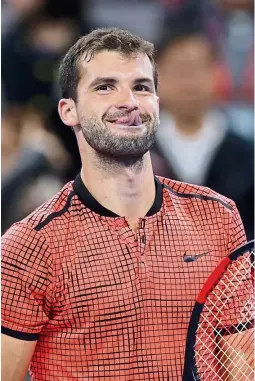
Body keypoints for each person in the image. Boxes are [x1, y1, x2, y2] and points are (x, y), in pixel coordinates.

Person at [1, 27, 252, 381]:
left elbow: (242, 368)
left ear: (157, 105)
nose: (129, 102)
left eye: (141, 87)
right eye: (105, 87)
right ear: (68, 111)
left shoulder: (218, 217)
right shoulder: (28, 245)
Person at [152, 25, 254, 240]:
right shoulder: (138, 152)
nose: (190, 82)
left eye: (199, 68)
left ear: (217, 74)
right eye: (180, 70)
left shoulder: (245, 152)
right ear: (156, 77)